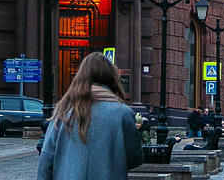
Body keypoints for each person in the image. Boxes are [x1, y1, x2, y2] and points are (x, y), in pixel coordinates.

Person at [37, 52, 144, 180]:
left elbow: (46, 160)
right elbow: (136, 157)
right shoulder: (123, 113)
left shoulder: (64, 112)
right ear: (112, 78)